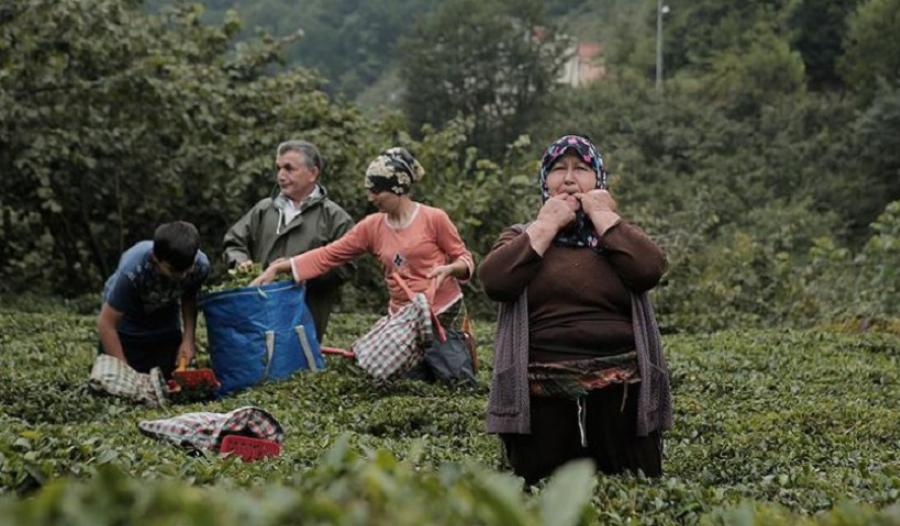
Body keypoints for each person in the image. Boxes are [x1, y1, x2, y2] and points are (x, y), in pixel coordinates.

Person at [478, 134, 673, 485]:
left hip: (621, 392)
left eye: (581, 169)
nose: (568, 178)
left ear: (597, 180)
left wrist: (602, 215)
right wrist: (546, 226)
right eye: (557, 169)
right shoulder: (522, 235)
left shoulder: (616, 234)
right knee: (541, 494)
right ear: (544, 182)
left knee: (632, 489)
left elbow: (650, 270)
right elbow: (495, 282)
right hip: (541, 394)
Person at [252, 147, 475, 378]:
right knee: (399, 384)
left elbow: (465, 259)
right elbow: (329, 254)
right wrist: (281, 266)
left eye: (377, 190)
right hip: (404, 321)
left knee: (455, 379)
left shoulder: (433, 218)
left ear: (397, 189)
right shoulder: (372, 227)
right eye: (370, 190)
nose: (371, 197)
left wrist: (450, 269)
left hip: (442, 314)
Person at [222, 140, 354, 339]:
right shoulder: (265, 209)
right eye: (279, 168)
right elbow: (234, 242)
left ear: (313, 173)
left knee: (298, 367)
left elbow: (346, 266)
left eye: (289, 169)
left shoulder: (335, 218)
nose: (281, 176)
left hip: (305, 319)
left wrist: (297, 271)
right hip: (258, 315)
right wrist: (240, 262)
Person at [97, 221, 210, 378]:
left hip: (164, 322)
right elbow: (106, 323)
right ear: (155, 259)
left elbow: (189, 299)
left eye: (187, 269)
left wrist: (188, 339)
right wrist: (124, 373)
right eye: (173, 271)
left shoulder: (200, 266)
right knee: (120, 384)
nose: (182, 276)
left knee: (168, 380)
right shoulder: (132, 272)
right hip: (127, 327)